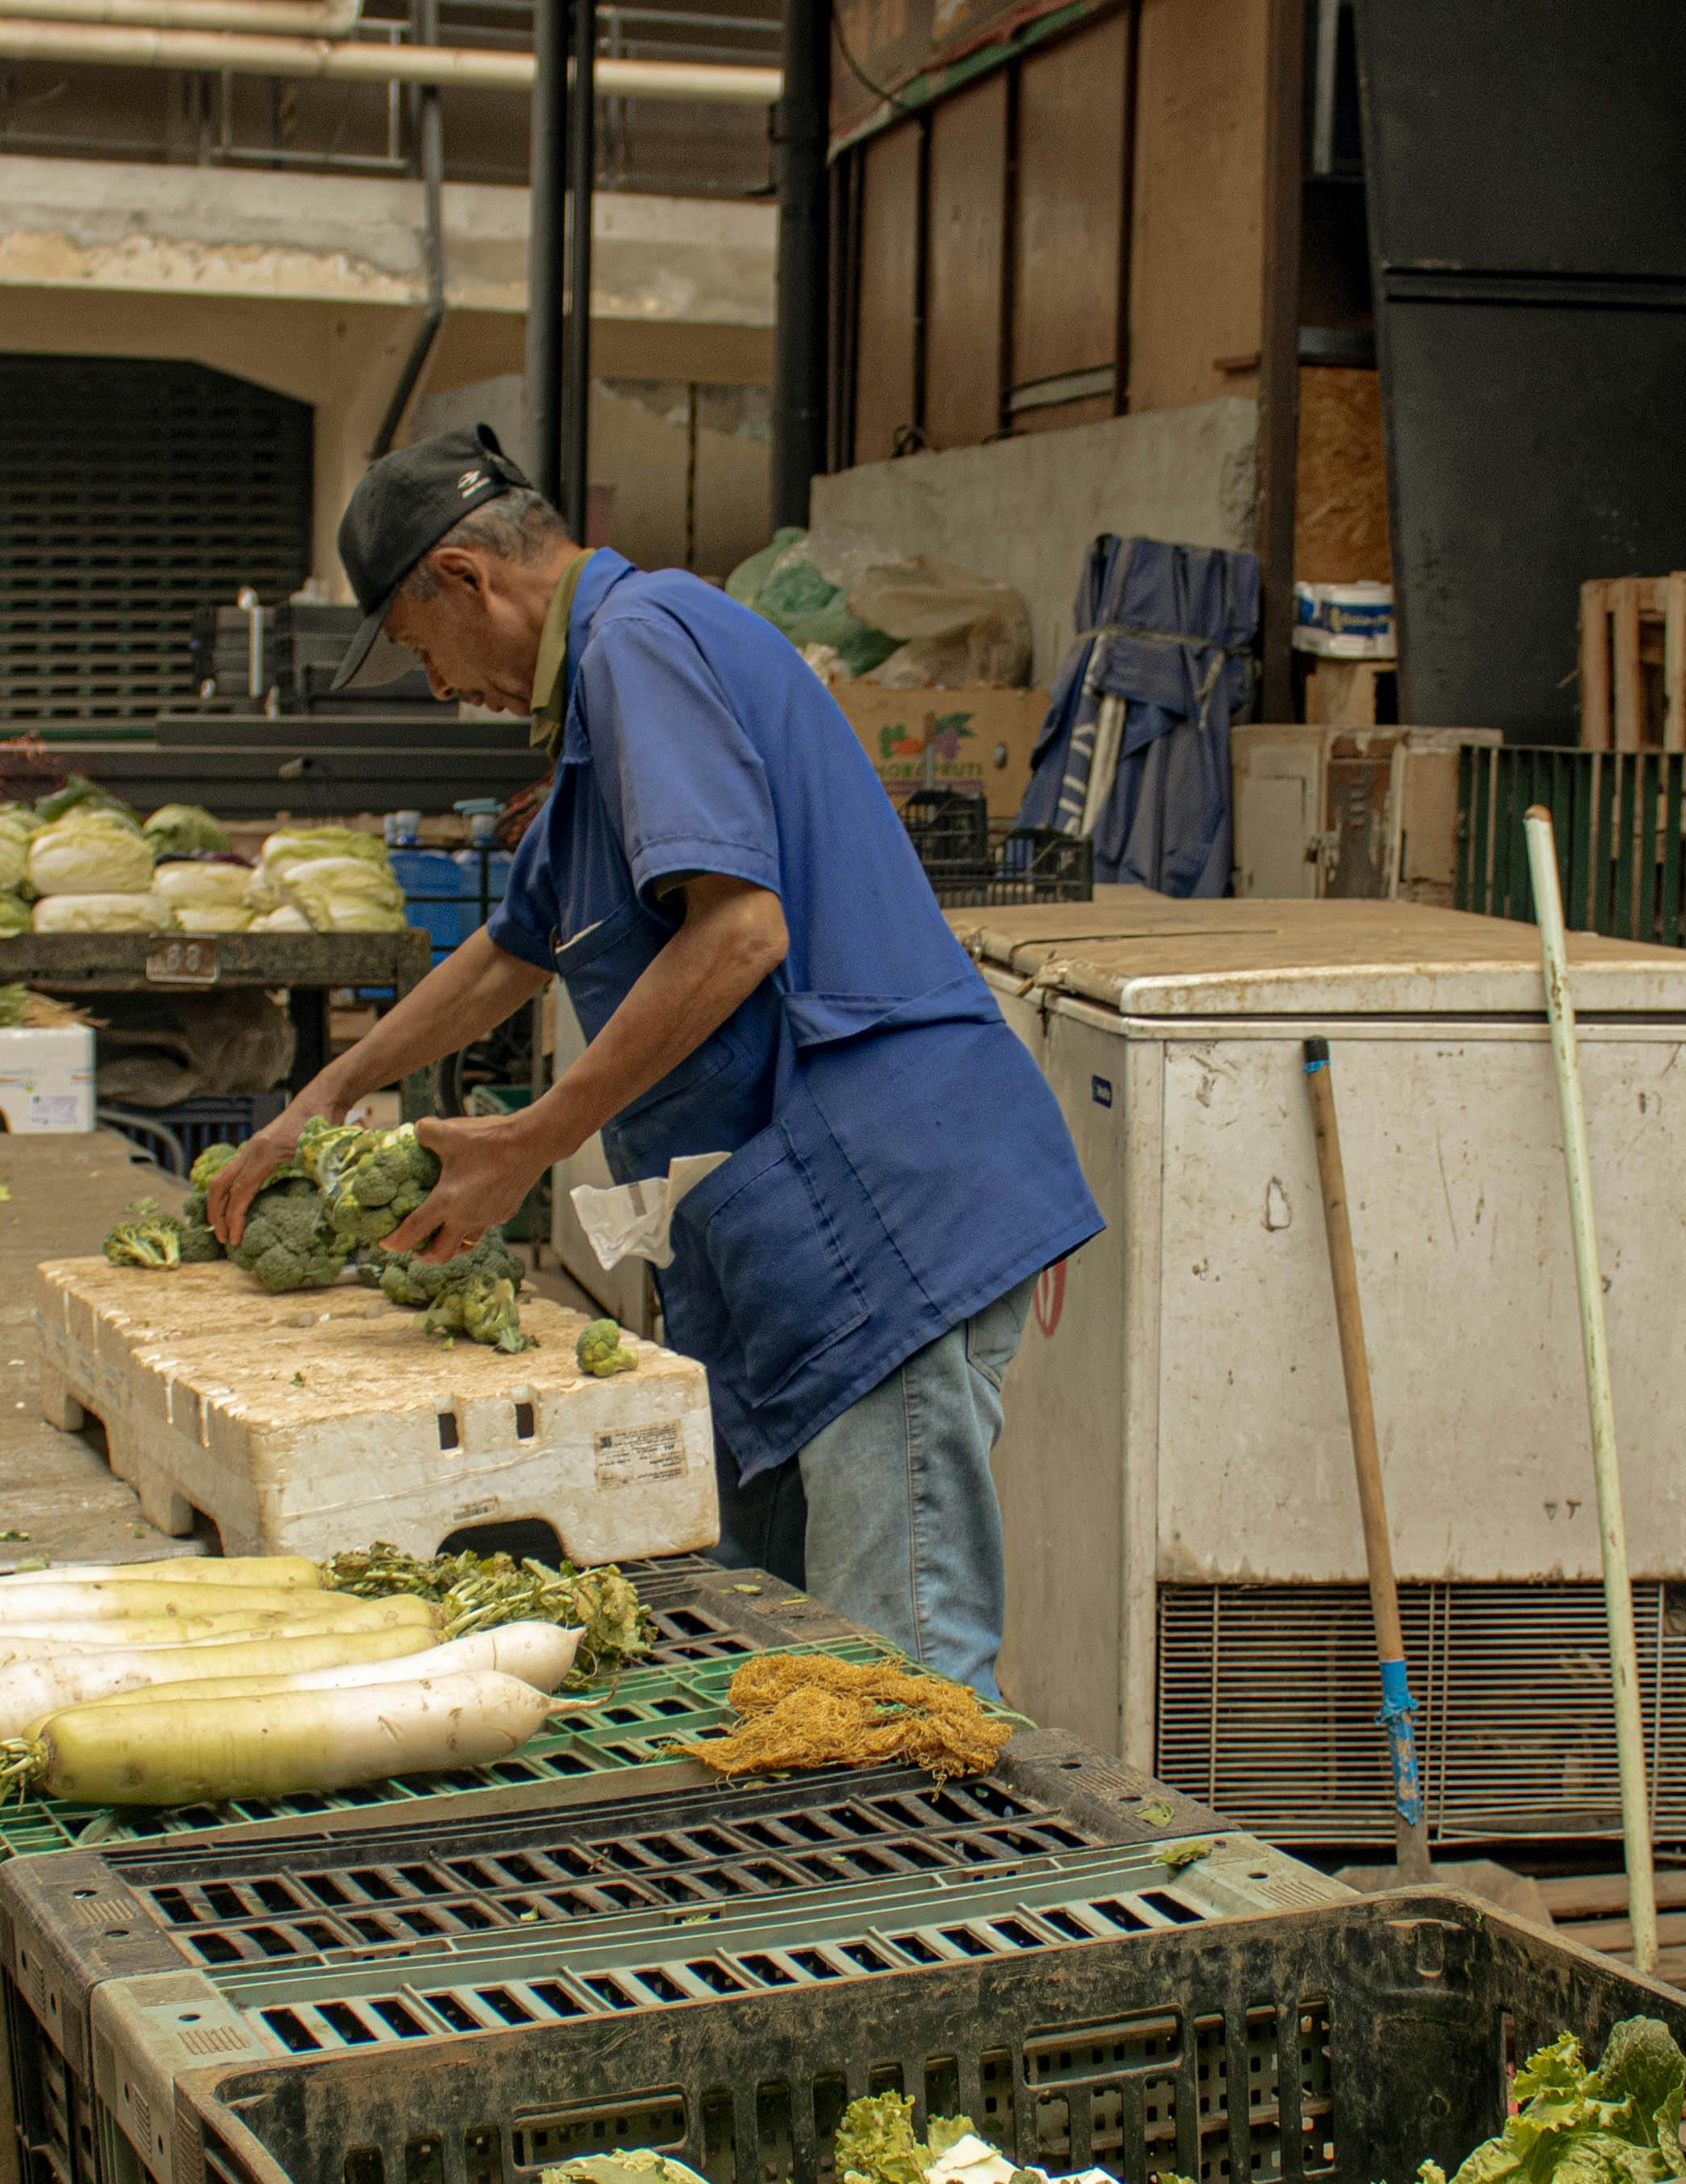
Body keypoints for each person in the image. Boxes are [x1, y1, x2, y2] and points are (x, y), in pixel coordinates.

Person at [206, 432, 1099, 1689]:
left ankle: (935, 1889)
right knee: (781, 1655)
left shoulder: (643, 640)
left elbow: (740, 933)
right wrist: (321, 1099)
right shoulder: (594, 721)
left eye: (419, 649)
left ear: (463, 579)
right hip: (793, 1240)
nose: (436, 684)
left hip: (890, 1217)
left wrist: (533, 1138)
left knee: (900, 1684)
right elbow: (510, 954)